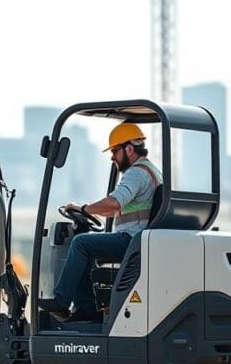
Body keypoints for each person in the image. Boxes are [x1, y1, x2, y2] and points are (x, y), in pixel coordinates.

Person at [40, 122, 162, 321]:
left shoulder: (136, 173)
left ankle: (61, 301)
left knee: (81, 243)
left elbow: (114, 203)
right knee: (86, 244)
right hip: (138, 238)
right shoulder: (151, 171)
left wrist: (83, 209)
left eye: (115, 151)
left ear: (129, 149)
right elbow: (119, 209)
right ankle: (86, 309)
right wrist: (89, 213)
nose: (113, 157)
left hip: (132, 240)